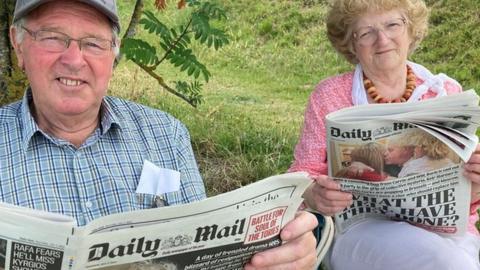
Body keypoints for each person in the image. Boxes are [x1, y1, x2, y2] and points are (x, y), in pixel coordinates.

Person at [2, 1, 318, 269]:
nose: (73, 59)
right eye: (53, 38)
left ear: (113, 54)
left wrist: (276, 257)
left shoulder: (166, 134)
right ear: (17, 44)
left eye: (93, 43)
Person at [288, 0, 480, 269]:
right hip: (362, 231)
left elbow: (465, 202)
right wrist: (313, 194)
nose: (383, 40)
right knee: (445, 263)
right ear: (351, 44)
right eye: (366, 32)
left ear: (411, 30)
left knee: (457, 261)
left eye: (392, 25)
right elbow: (301, 173)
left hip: (447, 233)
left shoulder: (446, 92)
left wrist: (475, 182)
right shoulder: (330, 95)